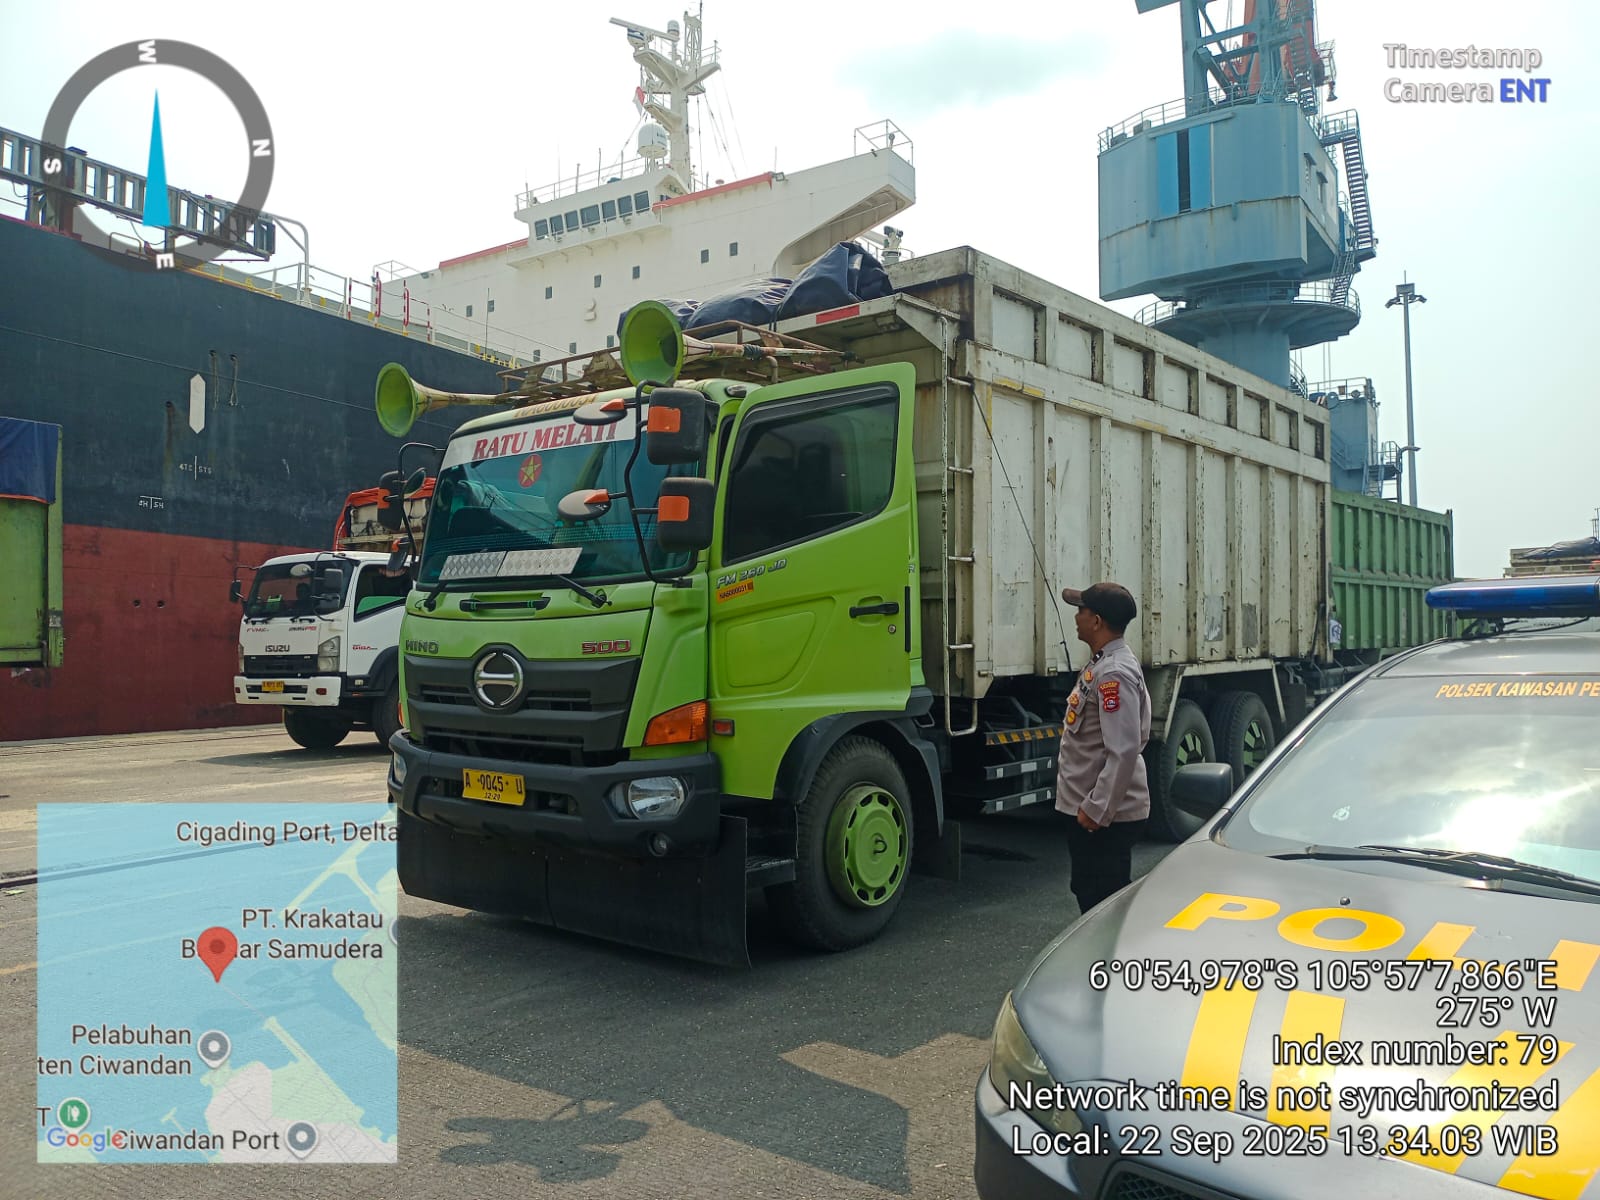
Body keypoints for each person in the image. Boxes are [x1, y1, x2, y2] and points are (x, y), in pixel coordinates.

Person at [1054, 582, 1152, 915]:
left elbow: (1123, 750)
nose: (1076, 617)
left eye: (1081, 610)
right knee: (1091, 894)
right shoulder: (1104, 662)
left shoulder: (1113, 673)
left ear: (1096, 621)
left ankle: (1109, 953)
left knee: (1101, 906)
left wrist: (1096, 809)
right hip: (1094, 815)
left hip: (1101, 820)